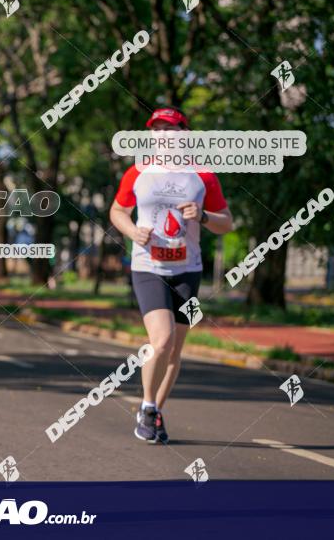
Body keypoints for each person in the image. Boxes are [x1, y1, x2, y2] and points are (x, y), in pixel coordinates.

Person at [109, 106, 233, 444]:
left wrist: (203, 216)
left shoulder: (203, 176)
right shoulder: (137, 172)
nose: (162, 135)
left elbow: (226, 222)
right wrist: (132, 231)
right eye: (157, 129)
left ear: (185, 135)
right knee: (160, 339)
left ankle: (153, 412)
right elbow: (118, 210)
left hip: (187, 271)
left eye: (170, 129)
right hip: (147, 267)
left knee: (175, 352)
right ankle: (147, 406)